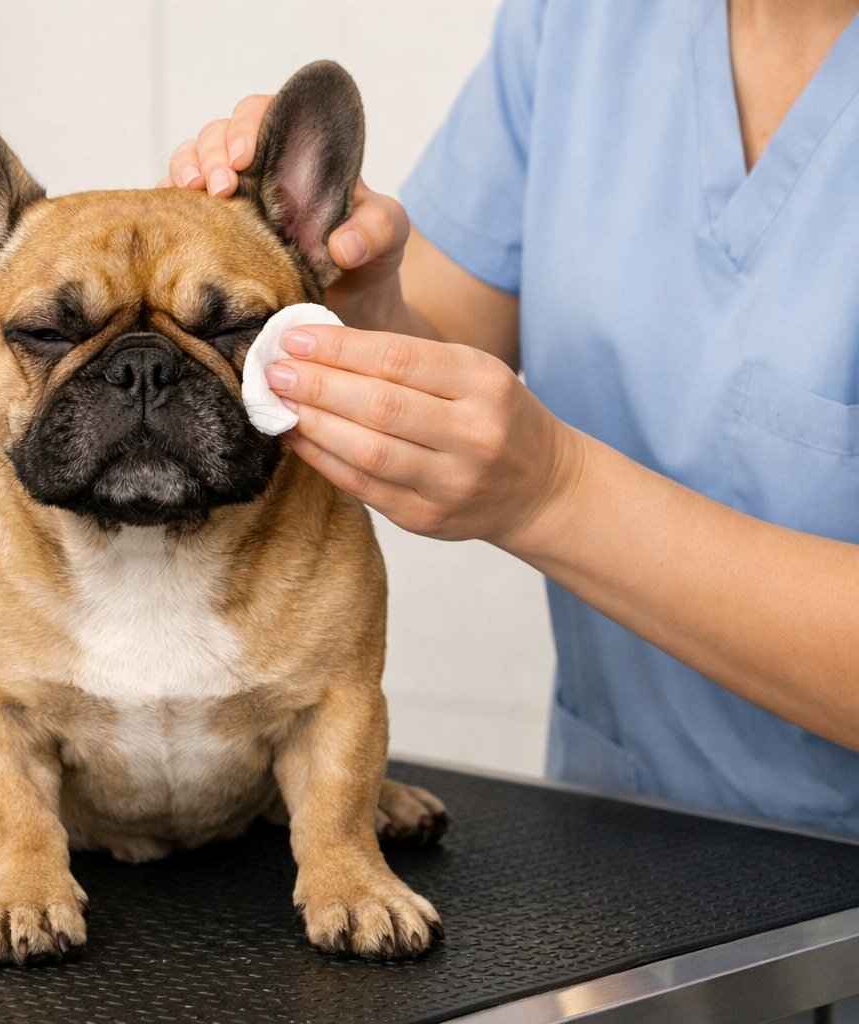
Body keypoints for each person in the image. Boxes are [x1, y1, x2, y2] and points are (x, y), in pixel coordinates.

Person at [163, 0, 859, 836]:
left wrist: (552, 495)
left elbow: (534, 476)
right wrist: (358, 301)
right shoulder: (582, 22)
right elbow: (444, 339)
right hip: (625, 836)